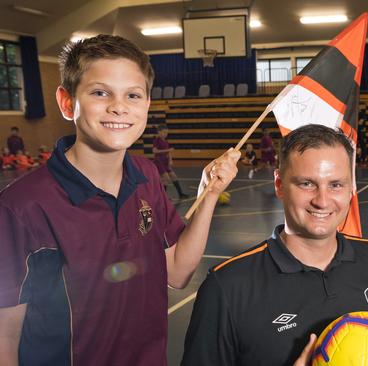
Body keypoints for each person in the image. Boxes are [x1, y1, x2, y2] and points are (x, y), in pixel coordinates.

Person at [0, 34, 240, 366]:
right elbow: (5, 335)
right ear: (67, 102)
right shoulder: (21, 206)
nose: (119, 106)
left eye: (133, 95)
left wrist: (209, 194)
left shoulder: (147, 176)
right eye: (100, 93)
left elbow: (178, 272)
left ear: (146, 105)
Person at [182, 124, 368, 365]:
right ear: (279, 185)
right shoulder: (227, 287)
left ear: (351, 189)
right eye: (306, 183)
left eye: (335, 184)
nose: (322, 201)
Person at [153, 124, 189, 199]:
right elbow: (155, 151)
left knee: (174, 177)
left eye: (166, 133)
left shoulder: (165, 141)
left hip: (165, 162)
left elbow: (168, 152)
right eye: (163, 132)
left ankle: (181, 194)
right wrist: (168, 150)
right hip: (159, 161)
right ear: (159, 132)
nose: (165, 134)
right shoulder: (157, 140)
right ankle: (163, 197)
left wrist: (170, 159)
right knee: (166, 178)